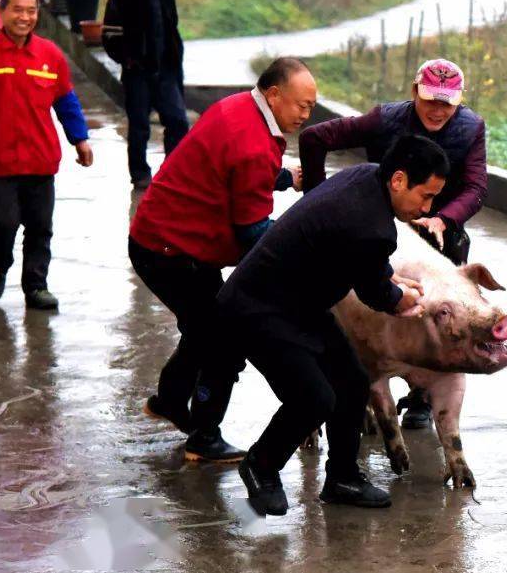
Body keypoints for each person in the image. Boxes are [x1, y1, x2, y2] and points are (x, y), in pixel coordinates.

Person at [222, 135, 445, 516]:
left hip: (300, 302)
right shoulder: (373, 227)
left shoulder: (366, 177)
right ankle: (261, 466)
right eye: (425, 196)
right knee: (314, 398)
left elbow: (366, 266)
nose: (428, 207)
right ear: (398, 180)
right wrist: (401, 299)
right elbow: (375, 292)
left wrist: (389, 280)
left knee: (352, 382)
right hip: (258, 309)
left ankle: (342, 477)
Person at [128, 57, 309, 463]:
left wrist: (281, 178)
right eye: (301, 105)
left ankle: (170, 400)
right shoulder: (252, 143)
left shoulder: (239, 108)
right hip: (171, 252)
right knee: (223, 342)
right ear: (274, 94)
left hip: (159, 238)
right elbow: (254, 235)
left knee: (202, 327)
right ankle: (204, 438)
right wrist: (306, 241)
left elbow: (231, 173)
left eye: (311, 107)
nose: (305, 115)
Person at [298, 58, 487, 429]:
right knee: (367, 309)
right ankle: (366, 382)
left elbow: (476, 187)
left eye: (447, 102)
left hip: (439, 234)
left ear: (459, 102)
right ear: (415, 92)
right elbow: (314, 137)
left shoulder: (470, 128)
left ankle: (422, 396)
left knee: (440, 315)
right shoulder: (384, 120)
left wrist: (441, 219)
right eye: (430, 99)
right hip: (383, 227)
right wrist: (315, 200)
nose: (437, 110)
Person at [0, 0, 94, 310]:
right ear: (1, 12)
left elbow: (66, 101)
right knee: (3, 222)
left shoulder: (50, 55)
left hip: (40, 158)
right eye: (18, 10)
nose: (25, 17)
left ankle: (36, 287)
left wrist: (80, 139)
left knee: (40, 228)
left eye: (31, 11)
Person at [101, 0, 189, 190]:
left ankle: (173, 168)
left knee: (178, 121)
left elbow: (172, 24)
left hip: (167, 69)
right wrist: (128, 60)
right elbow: (109, 33)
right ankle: (140, 173)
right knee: (139, 125)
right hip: (137, 72)